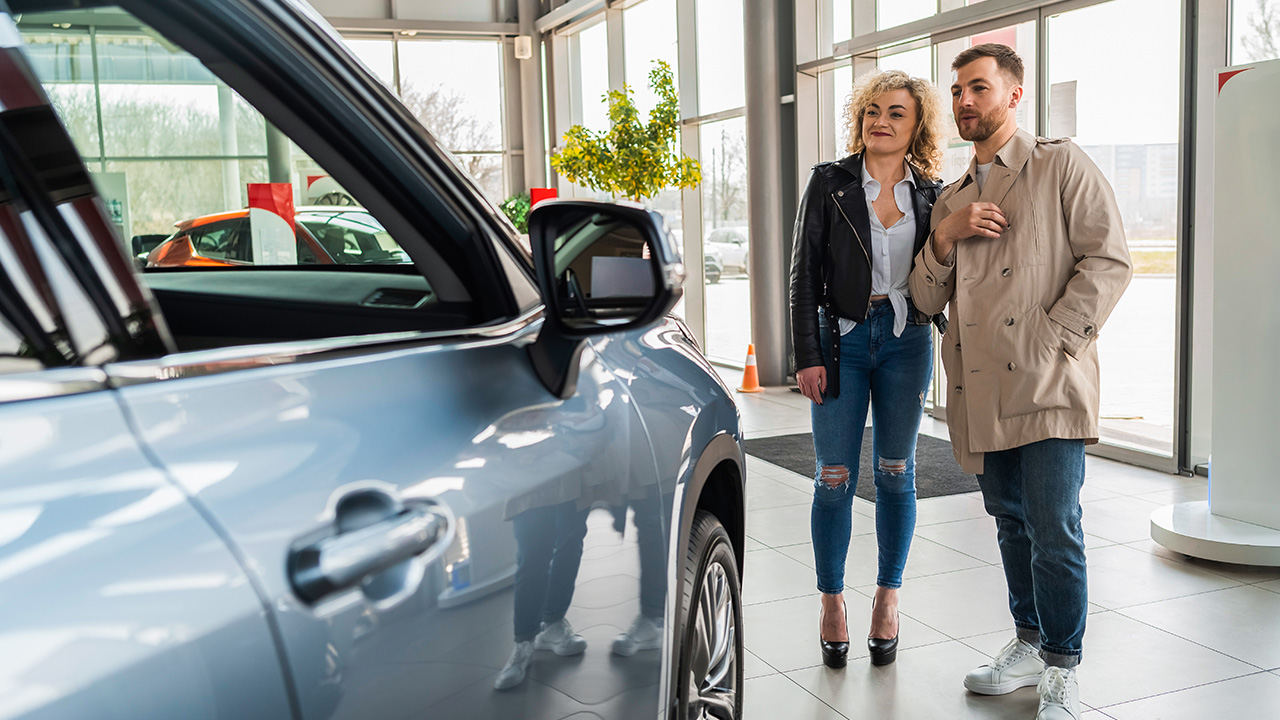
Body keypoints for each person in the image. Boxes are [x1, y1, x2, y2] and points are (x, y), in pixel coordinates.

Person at [908, 44, 1132, 720]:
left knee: (1053, 523)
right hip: (980, 391)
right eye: (957, 92)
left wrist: (1056, 339)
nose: (965, 102)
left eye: (979, 88)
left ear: (1014, 94)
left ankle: (1063, 662)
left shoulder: (1060, 164)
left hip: (1047, 383)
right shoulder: (950, 196)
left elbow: (1109, 259)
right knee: (1009, 522)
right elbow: (923, 299)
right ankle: (1029, 642)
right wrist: (943, 238)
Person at [790, 69, 948, 669]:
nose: (880, 121)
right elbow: (803, 273)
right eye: (872, 110)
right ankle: (832, 600)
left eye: (896, 113)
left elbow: (945, 268)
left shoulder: (931, 192)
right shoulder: (829, 183)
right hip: (842, 342)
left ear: (916, 126)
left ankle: (887, 596)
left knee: (895, 470)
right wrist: (807, 354)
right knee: (834, 475)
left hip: (907, 341)